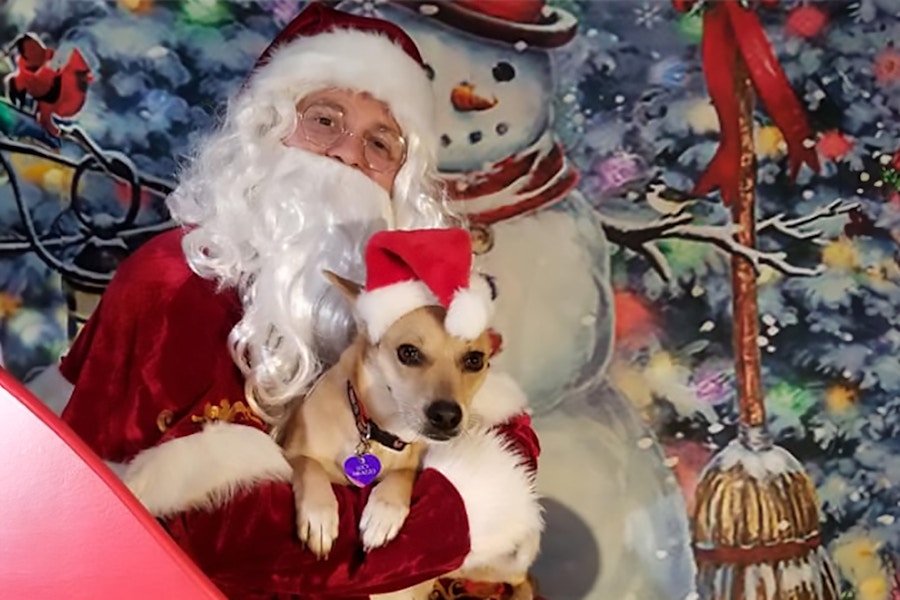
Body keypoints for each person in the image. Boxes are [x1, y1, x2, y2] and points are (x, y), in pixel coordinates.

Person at [27, 4, 543, 599]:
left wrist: (457, 491)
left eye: (380, 143)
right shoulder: (175, 284)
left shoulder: (409, 297)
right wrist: (453, 517)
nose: (349, 154)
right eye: (325, 120)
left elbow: (508, 438)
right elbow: (202, 531)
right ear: (266, 129)